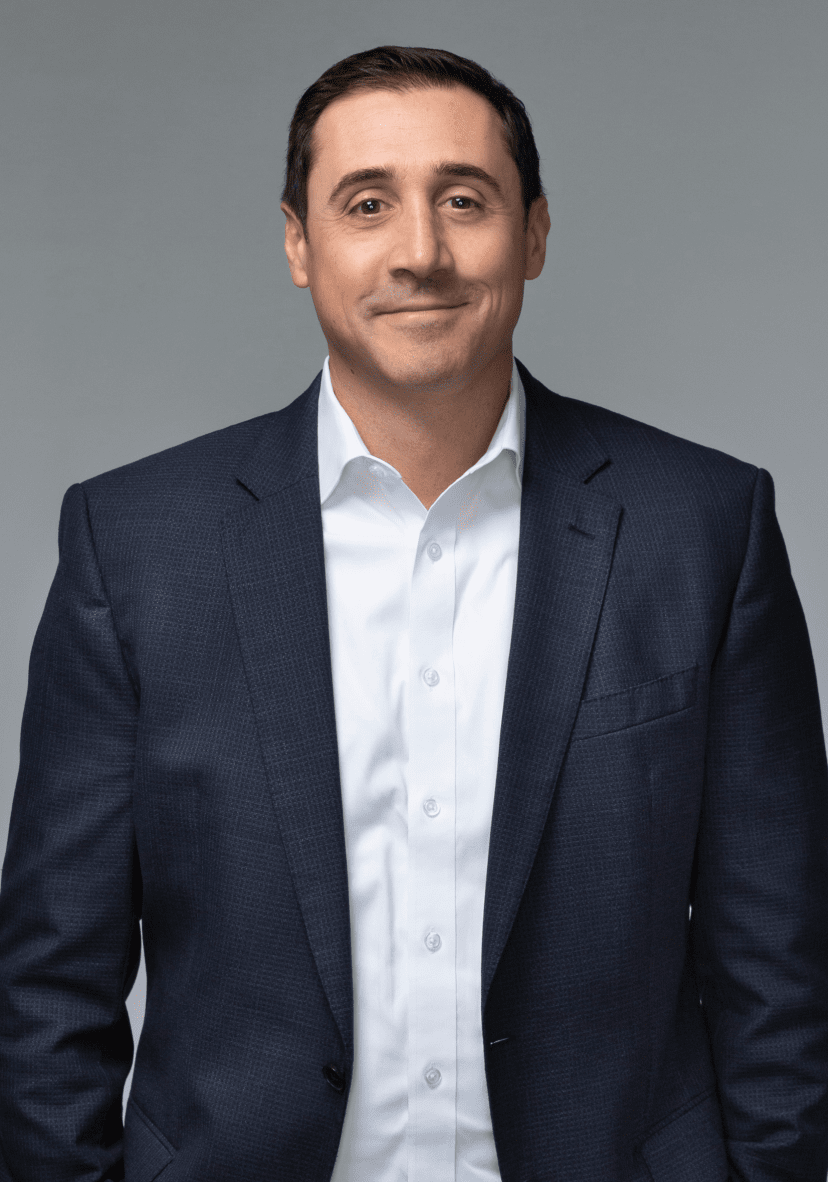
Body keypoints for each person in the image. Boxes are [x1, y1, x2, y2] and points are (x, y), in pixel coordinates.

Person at [0, 43, 826, 1182]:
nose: (421, 252)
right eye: (367, 203)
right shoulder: (136, 545)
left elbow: (780, 962)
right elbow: (51, 982)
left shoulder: (704, 529)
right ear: (299, 243)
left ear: (535, 234)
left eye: (465, 200)